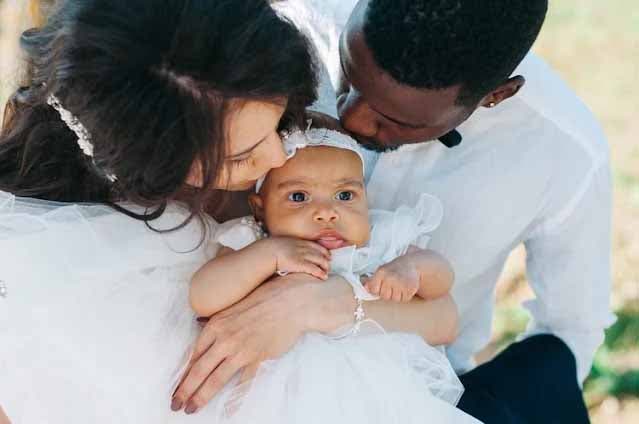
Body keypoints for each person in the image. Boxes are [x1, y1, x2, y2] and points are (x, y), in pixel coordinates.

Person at [174, 1, 614, 423]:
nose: (352, 119)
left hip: (413, 390)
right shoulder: (289, 25)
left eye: (398, 119)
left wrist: (322, 306)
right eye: (349, 77)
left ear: (495, 95)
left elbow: (568, 331)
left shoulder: (565, 153)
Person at [0, 0, 318, 421]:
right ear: (151, 165)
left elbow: (435, 309)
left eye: (278, 125)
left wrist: (312, 302)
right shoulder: (56, 267)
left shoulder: (305, 152)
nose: (280, 158)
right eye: (241, 157)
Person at [183, 120, 479, 422]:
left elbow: (442, 280)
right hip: (271, 398)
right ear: (260, 208)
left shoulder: (382, 238)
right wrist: (268, 255)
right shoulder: (254, 240)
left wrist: (412, 269)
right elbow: (203, 295)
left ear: (366, 199)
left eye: (345, 196)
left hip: (371, 395)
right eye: (299, 197)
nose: (327, 212)